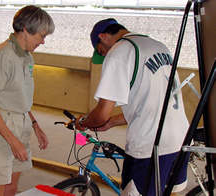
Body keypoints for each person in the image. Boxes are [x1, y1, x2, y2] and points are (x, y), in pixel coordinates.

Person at [75, 18, 189, 196]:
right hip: (180, 139)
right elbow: (150, 103)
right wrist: (112, 123)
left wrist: (83, 121)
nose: (104, 55)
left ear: (103, 37)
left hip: (150, 144)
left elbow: (102, 113)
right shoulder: (158, 46)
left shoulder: (120, 51)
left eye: (101, 51)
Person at [0, 5, 55, 196]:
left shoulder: (27, 57)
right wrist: (13, 141)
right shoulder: (3, 55)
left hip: (21, 124)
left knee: (11, 188)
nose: (43, 42)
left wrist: (35, 124)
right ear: (26, 30)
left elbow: (20, 97)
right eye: (41, 36)